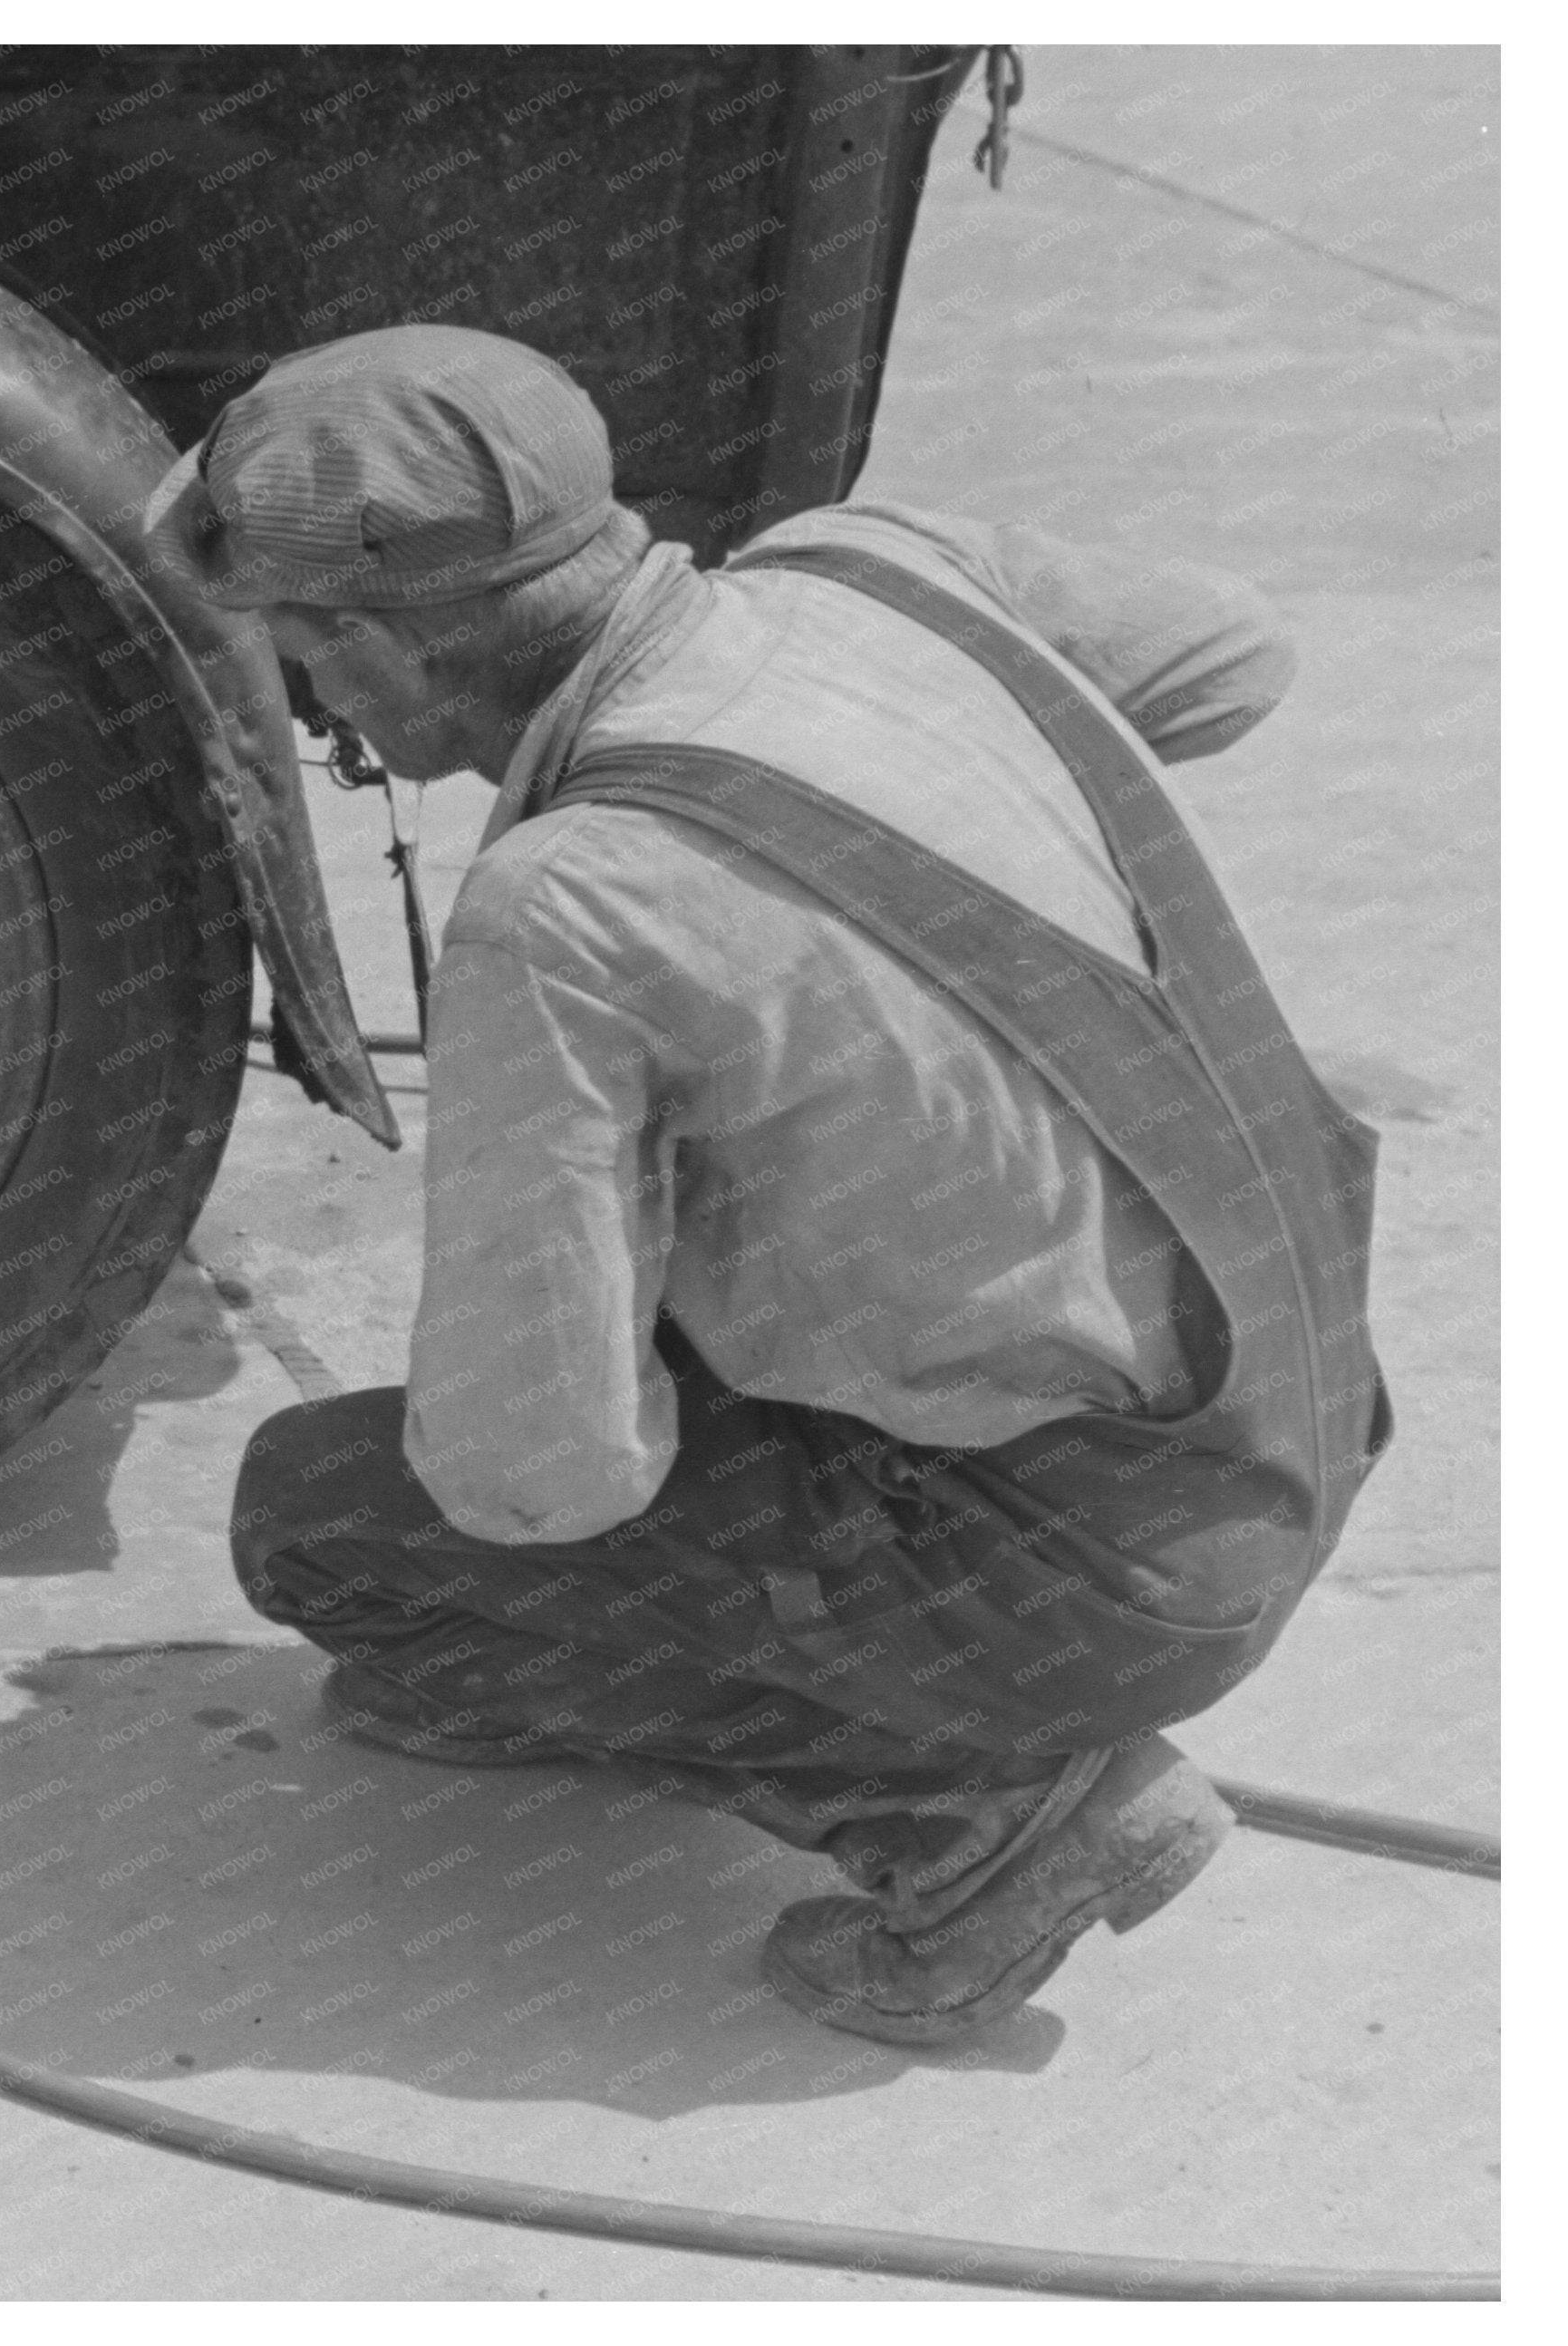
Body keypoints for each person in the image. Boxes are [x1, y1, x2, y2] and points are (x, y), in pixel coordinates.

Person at [142, 325, 1389, 2044]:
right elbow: (1234, 659)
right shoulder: (875, 563)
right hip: (1293, 1414)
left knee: (327, 1528)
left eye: (305, 667)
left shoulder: (576, 904)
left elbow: (536, 1478)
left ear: (391, 646)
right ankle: (904, 1685)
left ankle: (990, 1822)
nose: (321, 717)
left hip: (1093, 1577)